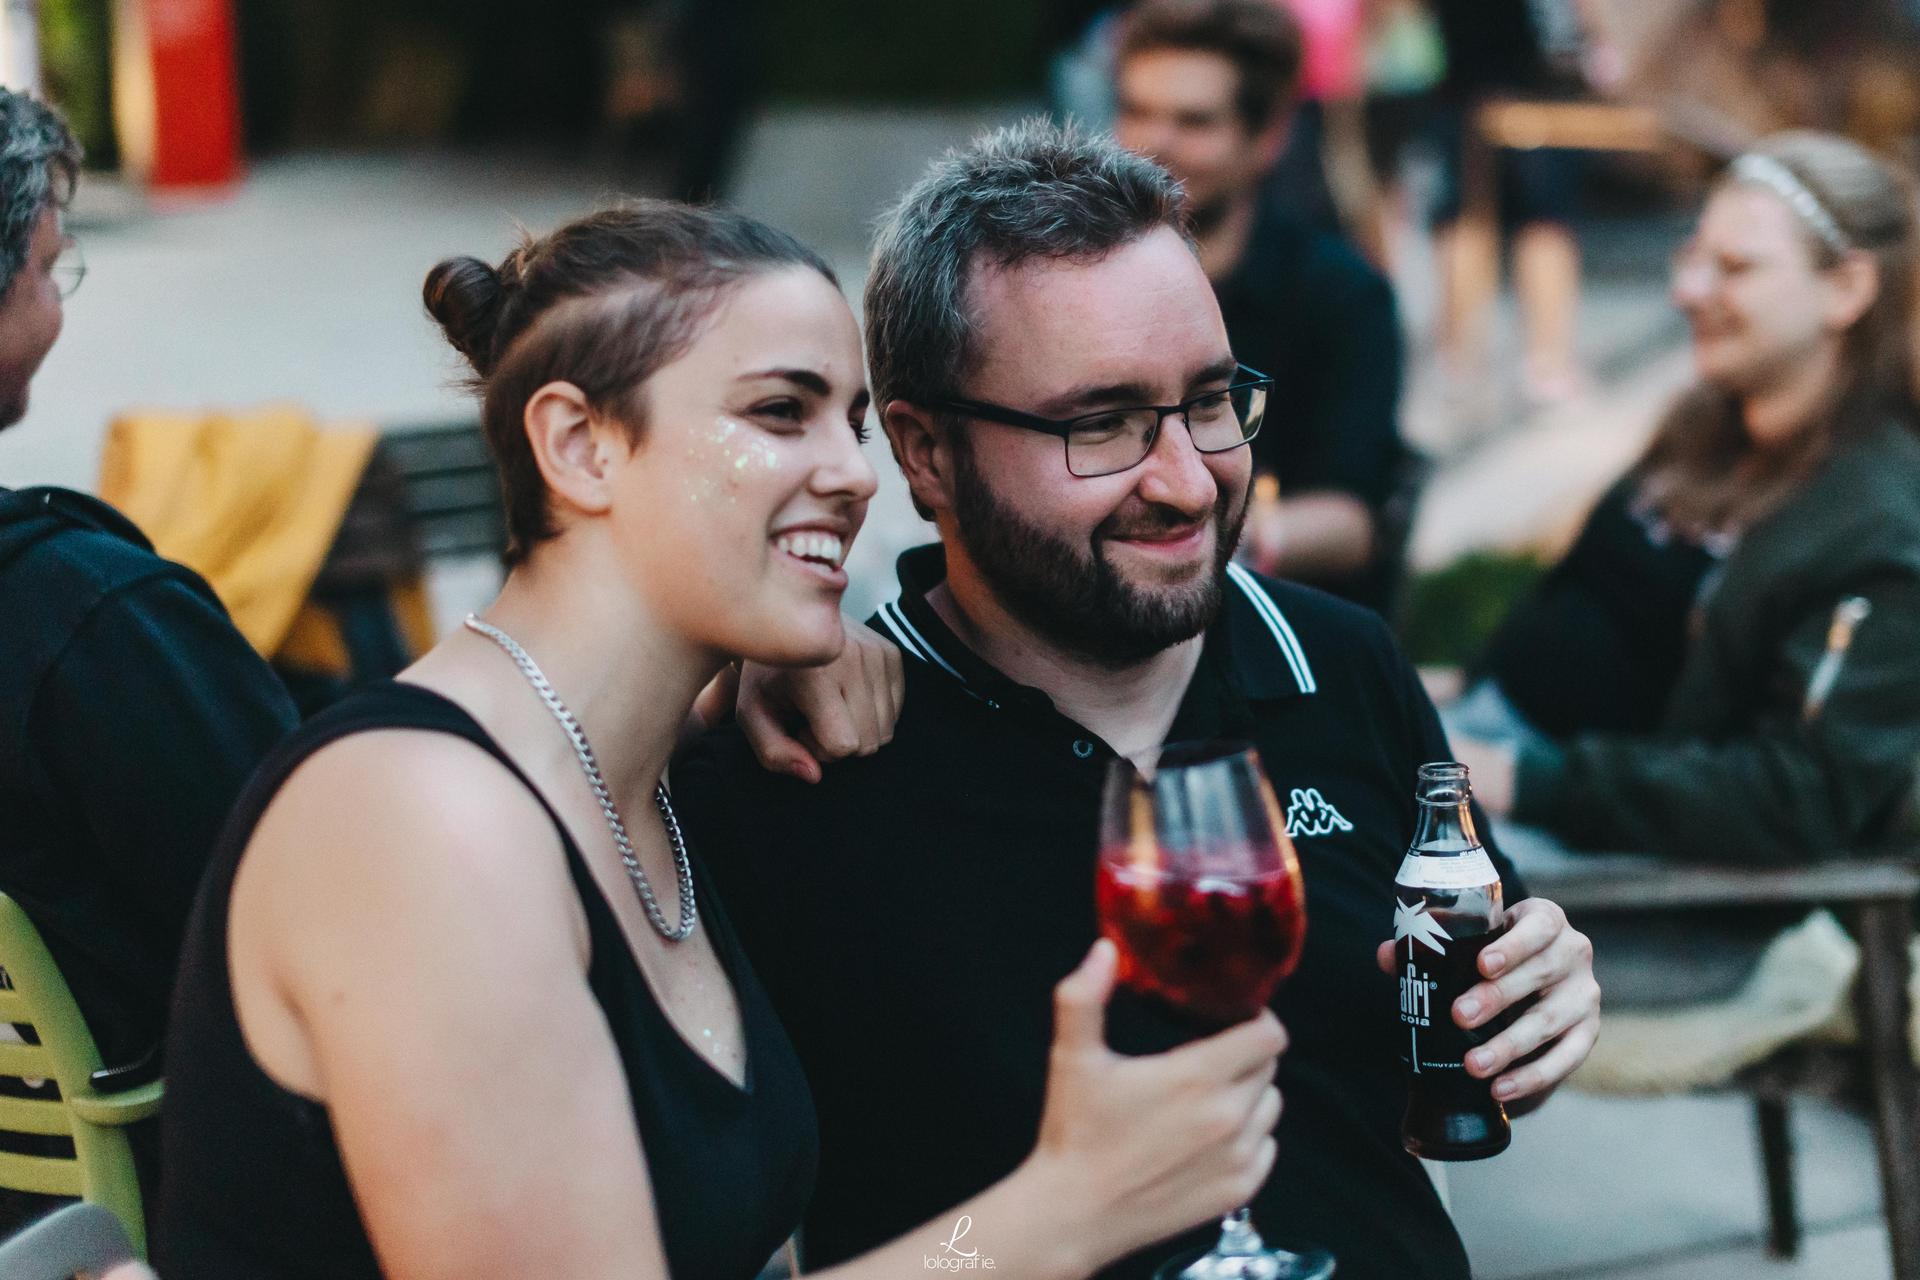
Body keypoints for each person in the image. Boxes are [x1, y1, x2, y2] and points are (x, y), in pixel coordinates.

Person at [157, 200, 1287, 1279]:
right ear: (581, 446)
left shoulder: (648, 788)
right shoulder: (423, 820)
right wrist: (1066, 1206)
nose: (853, 474)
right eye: (779, 412)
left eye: (850, 421)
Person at [673, 121, 1600, 1280]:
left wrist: (1537, 991)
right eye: (1100, 423)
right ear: (925, 454)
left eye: (1210, 401)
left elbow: (1457, 1001)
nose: (1185, 479)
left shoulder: (1340, 664)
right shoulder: (803, 761)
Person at [1448, 131, 1920, 866]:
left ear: (1848, 290)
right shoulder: (1707, 425)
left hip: (1613, 854)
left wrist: (1523, 780)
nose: (1687, 291)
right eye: (1692, 256)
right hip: (1485, 750)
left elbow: (1799, 793)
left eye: (1733, 268)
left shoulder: (1883, 525)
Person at [0, 89, 302, 1232]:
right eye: (47, 267)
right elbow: (319, 907)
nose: (54, 302)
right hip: (141, 1209)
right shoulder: (79, 615)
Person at [1112, 0, 1409, 614]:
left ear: (1268, 139)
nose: (1153, 143)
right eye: (1137, 111)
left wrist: (1166, 535)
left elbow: (1351, 520)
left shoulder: (1341, 294)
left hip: (1282, 619)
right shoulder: (1084, 285)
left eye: (1193, 121)